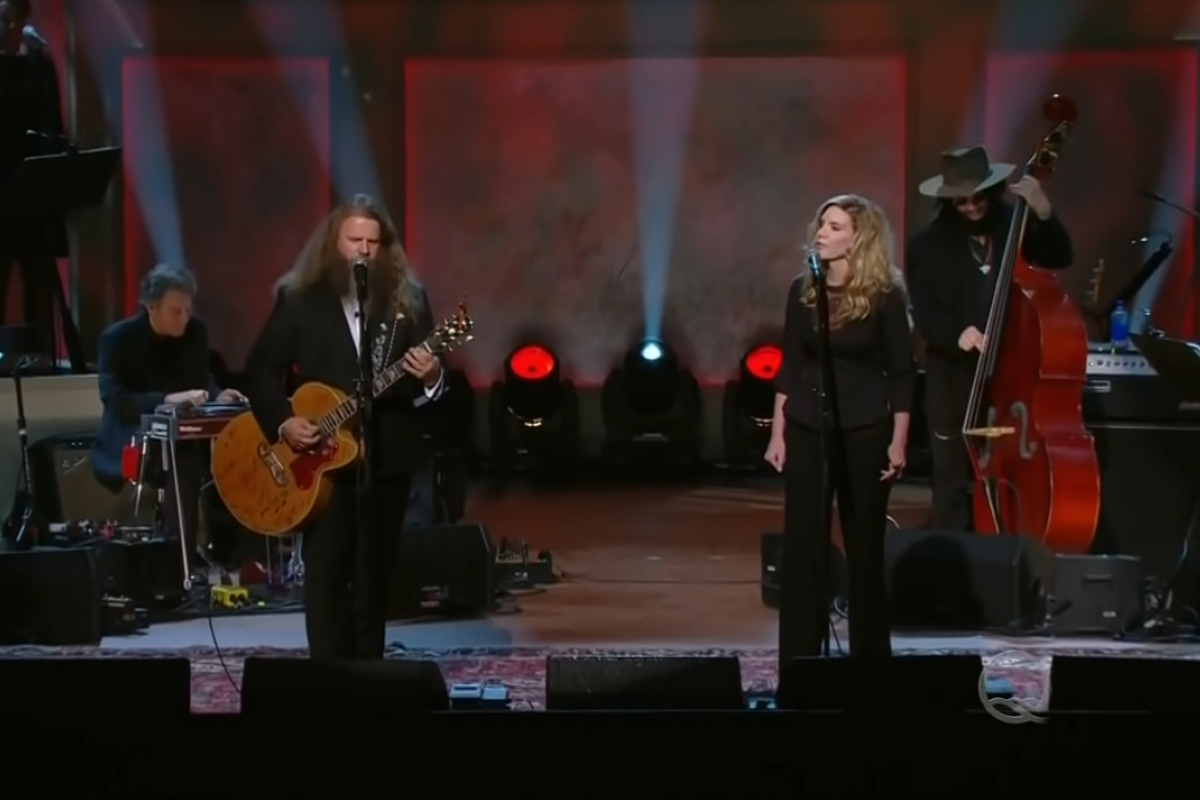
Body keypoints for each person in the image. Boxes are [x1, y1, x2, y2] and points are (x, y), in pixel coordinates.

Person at [243, 194, 446, 660]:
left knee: (374, 581)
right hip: (320, 468)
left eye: (373, 242)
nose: (363, 250)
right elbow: (259, 370)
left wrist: (432, 376)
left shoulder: (407, 302)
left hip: (385, 460)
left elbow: (430, 388)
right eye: (354, 239)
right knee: (327, 575)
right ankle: (327, 679)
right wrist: (285, 422)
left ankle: (368, 678)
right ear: (333, 242)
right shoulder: (297, 300)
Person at [765, 194, 914, 664]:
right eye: (821, 225)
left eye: (833, 227)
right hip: (809, 425)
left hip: (866, 429)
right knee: (804, 548)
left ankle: (870, 667)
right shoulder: (802, 290)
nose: (821, 233)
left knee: (863, 549)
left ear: (858, 238)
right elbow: (790, 362)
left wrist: (899, 438)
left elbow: (903, 372)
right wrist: (777, 431)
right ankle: (800, 665)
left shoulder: (887, 294)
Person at [906, 146, 1073, 532]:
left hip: (1011, 377)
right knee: (949, 479)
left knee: (1009, 473)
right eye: (960, 201)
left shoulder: (1014, 226)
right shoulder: (926, 246)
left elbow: (1060, 255)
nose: (971, 207)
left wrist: (1043, 212)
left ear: (993, 190)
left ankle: (1010, 550)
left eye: (978, 197)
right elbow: (925, 310)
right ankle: (953, 562)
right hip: (952, 380)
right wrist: (956, 333)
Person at [93, 263, 244, 581]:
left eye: (188, 310)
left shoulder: (195, 332)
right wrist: (165, 399)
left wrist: (219, 396)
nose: (184, 318)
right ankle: (180, 567)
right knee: (183, 457)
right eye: (176, 311)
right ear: (151, 307)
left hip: (186, 436)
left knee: (235, 448)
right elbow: (115, 399)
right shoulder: (118, 339)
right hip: (132, 438)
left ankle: (238, 554)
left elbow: (202, 379)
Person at [0, 0, 83, 369]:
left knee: (39, 277)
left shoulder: (39, 65)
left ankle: (40, 359)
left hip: (34, 189)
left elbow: (53, 124)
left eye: (6, 18)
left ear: (21, 20)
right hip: (2, 190)